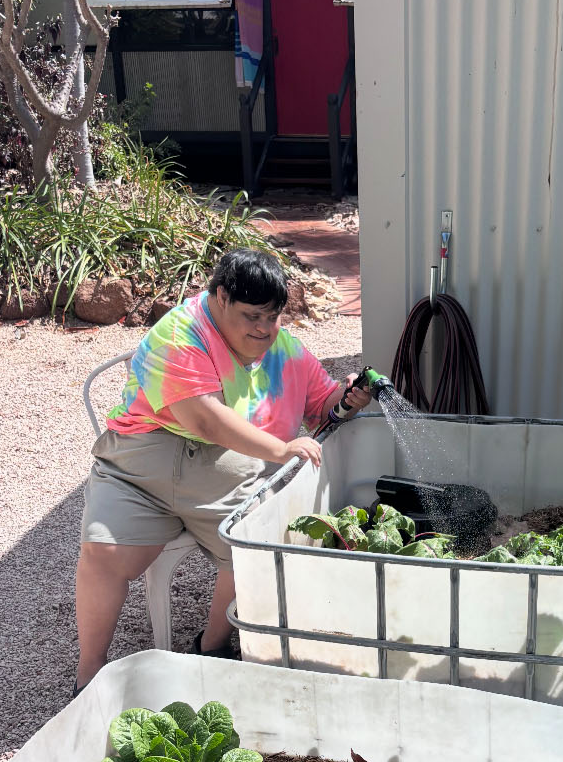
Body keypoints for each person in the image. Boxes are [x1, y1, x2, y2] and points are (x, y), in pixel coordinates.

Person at [74, 248, 371, 691]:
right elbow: (205, 420)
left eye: (273, 317)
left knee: (254, 550)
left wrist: (347, 400)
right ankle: (89, 675)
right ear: (220, 296)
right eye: (253, 316)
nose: (265, 329)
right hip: (140, 464)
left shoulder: (285, 348)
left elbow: (321, 405)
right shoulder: (179, 333)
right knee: (103, 554)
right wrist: (280, 448)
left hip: (230, 468)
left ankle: (211, 646)